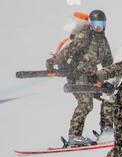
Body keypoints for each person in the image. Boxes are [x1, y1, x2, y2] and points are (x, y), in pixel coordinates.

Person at [46, 10, 114, 147]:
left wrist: (112, 78)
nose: (98, 27)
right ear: (90, 23)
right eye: (95, 24)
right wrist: (54, 61)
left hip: (91, 77)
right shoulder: (85, 36)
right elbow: (68, 50)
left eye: (101, 23)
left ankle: (107, 129)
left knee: (109, 96)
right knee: (86, 104)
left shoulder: (103, 41)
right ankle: (74, 136)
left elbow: (108, 62)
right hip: (77, 76)